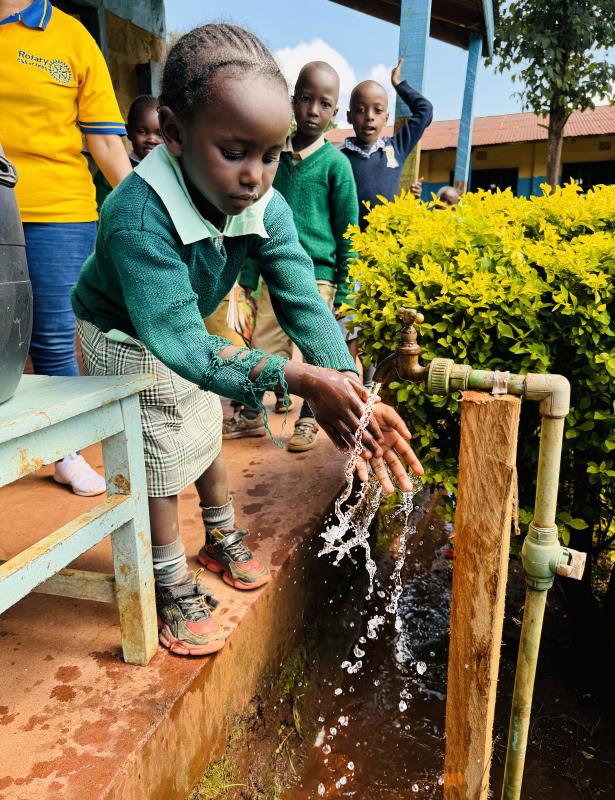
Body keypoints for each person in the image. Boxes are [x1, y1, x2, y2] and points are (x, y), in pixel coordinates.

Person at [71, 24, 424, 657]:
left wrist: (346, 384)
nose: (255, 177)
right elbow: (181, 344)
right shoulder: (137, 215)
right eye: (234, 152)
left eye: (268, 155)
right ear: (175, 134)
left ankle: (218, 536)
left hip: (180, 328)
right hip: (121, 331)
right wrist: (299, 380)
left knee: (205, 414)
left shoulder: (261, 202)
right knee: (158, 442)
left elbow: (300, 302)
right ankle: (167, 574)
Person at [0, 0, 132, 496]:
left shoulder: (72, 37)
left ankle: (66, 453)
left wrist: (153, 216)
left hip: (57, 211)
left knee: (54, 338)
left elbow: (106, 144)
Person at [224, 60, 359, 453]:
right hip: (271, 272)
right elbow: (252, 218)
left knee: (316, 353)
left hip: (318, 275)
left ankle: (309, 419)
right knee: (264, 346)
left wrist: (346, 292)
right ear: (292, 101)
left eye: (324, 104)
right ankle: (252, 414)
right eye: (305, 99)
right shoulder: (273, 158)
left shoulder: (337, 166)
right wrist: (248, 278)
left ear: (335, 114)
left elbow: (348, 235)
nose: (313, 110)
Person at [341, 58, 433, 229]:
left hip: (387, 248)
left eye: (378, 110)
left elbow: (425, 110)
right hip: (351, 246)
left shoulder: (396, 148)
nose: (369, 116)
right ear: (349, 117)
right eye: (360, 110)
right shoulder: (339, 157)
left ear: (386, 118)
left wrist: (398, 84)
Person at [95, 94, 163, 210]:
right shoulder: (111, 170)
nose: (151, 139)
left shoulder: (172, 171)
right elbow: (99, 212)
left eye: (159, 134)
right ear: (128, 132)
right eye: (142, 131)